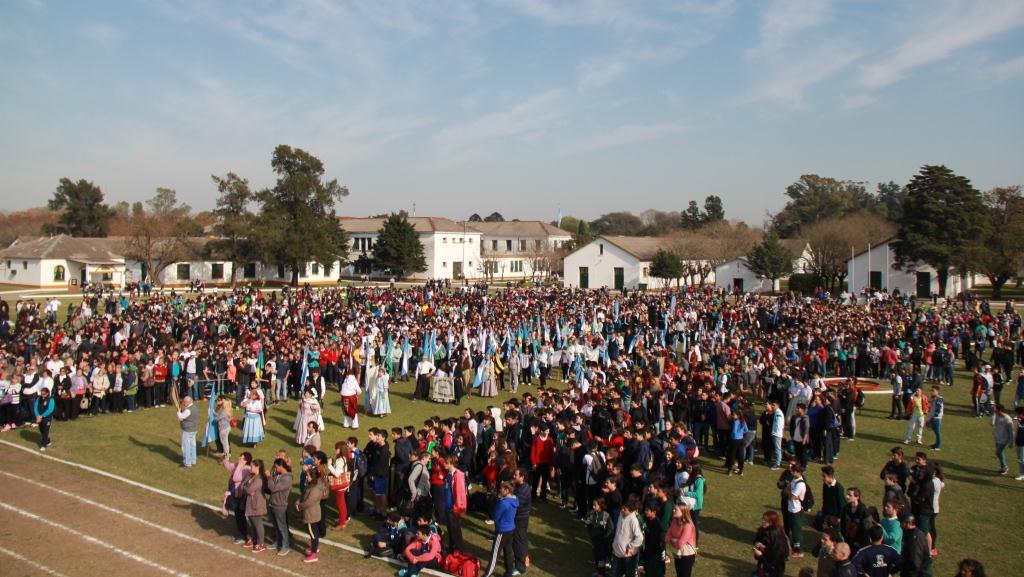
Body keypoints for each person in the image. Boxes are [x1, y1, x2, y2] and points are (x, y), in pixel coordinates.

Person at [483, 481, 518, 577]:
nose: (500, 490)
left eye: (502, 488)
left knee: (494, 554)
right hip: (511, 529)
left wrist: (498, 500)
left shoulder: (503, 503)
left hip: (502, 531)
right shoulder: (515, 500)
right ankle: (508, 573)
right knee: (508, 552)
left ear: (507, 490)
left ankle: (487, 574)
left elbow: (495, 516)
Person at [297, 464, 328, 563]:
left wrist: (300, 506)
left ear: (313, 477)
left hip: (311, 514)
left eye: (308, 475)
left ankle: (313, 553)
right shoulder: (311, 485)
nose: (306, 477)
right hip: (310, 513)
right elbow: (303, 495)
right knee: (313, 532)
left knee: (313, 533)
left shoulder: (315, 489)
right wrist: (298, 502)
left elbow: (309, 501)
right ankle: (314, 548)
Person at [610, 495, 644, 577]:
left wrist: (630, 546)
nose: (622, 510)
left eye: (624, 509)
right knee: (616, 573)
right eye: (622, 508)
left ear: (631, 510)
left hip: (628, 556)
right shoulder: (621, 516)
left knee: (629, 574)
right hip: (617, 552)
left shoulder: (633, 520)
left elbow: (640, 538)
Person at [265, 457, 293, 556]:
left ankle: (285, 546)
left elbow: (273, 488)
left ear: (281, 466)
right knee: (276, 526)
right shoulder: (278, 475)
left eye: (276, 467)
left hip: (280, 505)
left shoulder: (287, 478)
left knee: (282, 527)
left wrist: (269, 477)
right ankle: (278, 542)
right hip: (273, 503)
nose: (275, 469)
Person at [242, 458, 268, 553]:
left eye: (252, 466)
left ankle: (261, 544)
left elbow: (248, 489)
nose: (250, 467)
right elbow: (243, 486)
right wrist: (246, 488)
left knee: (257, 524)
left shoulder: (259, 479)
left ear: (257, 467)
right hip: (251, 503)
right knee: (252, 523)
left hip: (257, 504)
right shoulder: (251, 476)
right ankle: (254, 540)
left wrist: (246, 488)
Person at [752, 511, 789, 577]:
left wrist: (760, 555)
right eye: (763, 519)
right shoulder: (763, 529)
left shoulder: (778, 549)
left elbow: (772, 567)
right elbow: (757, 539)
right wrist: (758, 543)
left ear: (772, 522)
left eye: (766, 521)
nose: (763, 522)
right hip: (763, 566)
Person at [665, 503, 697, 577]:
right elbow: (666, 537)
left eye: (675, 509)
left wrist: (672, 540)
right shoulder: (674, 521)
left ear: (682, 512)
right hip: (677, 553)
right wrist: (675, 540)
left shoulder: (688, 526)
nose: (673, 510)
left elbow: (680, 544)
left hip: (687, 555)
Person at [444, 455, 468, 552]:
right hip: (448, 506)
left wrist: (457, 507)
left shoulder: (457, 475)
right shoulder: (449, 474)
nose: (444, 464)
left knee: (455, 530)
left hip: (454, 507)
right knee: (450, 529)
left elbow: (460, 492)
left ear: (451, 464)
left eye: (446, 463)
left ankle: (458, 550)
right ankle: (452, 548)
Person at [586, 497, 615, 575]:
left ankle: (601, 573)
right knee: (596, 557)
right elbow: (588, 524)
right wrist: (591, 533)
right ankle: (600, 570)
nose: (593, 507)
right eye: (593, 505)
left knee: (601, 558)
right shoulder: (591, 513)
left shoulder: (606, 515)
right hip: (594, 542)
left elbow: (611, 529)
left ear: (600, 505)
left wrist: (605, 537)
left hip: (603, 543)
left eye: (595, 505)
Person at [785, 463, 807, 558]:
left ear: (799, 472)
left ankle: (799, 551)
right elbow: (788, 492)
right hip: (791, 509)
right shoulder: (794, 479)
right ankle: (794, 547)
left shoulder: (800, 484)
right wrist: (789, 491)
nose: (792, 472)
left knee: (796, 531)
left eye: (793, 471)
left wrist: (789, 490)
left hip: (796, 511)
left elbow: (791, 497)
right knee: (792, 530)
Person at [641, 505, 665, 577]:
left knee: (653, 569)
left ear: (654, 512)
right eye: (645, 510)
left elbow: (655, 540)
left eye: (647, 510)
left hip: (654, 551)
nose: (645, 512)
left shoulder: (656, 524)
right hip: (648, 549)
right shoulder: (647, 519)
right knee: (647, 567)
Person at [175, 395, 198, 467]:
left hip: (187, 430)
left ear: (188, 402)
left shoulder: (188, 410)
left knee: (186, 446)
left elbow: (180, 417)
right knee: (193, 445)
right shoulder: (195, 407)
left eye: (184, 402)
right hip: (193, 429)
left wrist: (178, 411)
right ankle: (193, 460)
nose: (183, 403)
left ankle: (187, 462)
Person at [991, 404, 1014, 475]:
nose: (995, 412)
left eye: (996, 410)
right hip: (998, 437)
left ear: (1000, 410)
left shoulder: (1008, 419)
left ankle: (1005, 467)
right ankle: (1002, 468)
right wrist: (993, 414)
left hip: (1004, 439)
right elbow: (992, 423)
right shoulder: (997, 416)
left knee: (998, 452)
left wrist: (1011, 442)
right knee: (1000, 453)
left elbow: (1011, 431)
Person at [32, 386, 55, 451]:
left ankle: (43, 445)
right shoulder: (38, 398)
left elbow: (50, 410)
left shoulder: (51, 400)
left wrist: (41, 416)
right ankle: (48, 441)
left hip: (47, 418)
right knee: (41, 430)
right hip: (39, 417)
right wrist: (37, 415)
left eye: (44, 394)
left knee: (45, 431)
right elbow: (35, 406)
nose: (42, 395)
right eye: (42, 393)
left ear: (47, 393)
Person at [926, 386, 943, 451]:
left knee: (937, 432)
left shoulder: (939, 399)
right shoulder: (934, 398)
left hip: (936, 418)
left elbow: (938, 409)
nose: (932, 392)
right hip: (934, 417)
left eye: (933, 391)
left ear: (937, 392)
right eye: (931, 390)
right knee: (936, 432)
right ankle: (936, 444)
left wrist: (934, 417)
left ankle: (938, 446)